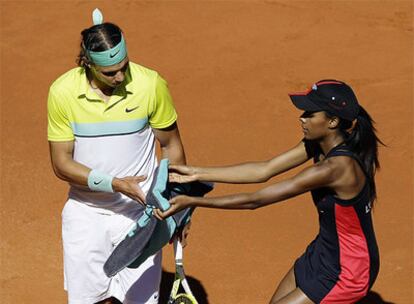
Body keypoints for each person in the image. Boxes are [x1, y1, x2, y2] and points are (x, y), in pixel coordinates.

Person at [155, 80, 381, 303]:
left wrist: (192, 200)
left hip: (348, 270)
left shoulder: (335, 169)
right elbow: (264, 169)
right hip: (324, 252)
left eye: (310, 113)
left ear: (332, 121)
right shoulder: (319, 143)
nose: (302, 117)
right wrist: (196, 173)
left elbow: (256, 200)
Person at [47, 9, 188, 304]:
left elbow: (172, 146)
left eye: (124, 66)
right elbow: (61, 163)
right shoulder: (62, 92)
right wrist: (115, 184)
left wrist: (178, 204)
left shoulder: (150, 84)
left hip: (141, 215)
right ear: (87, 63)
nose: (121, 76)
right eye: (110, 72)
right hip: (86, 213)